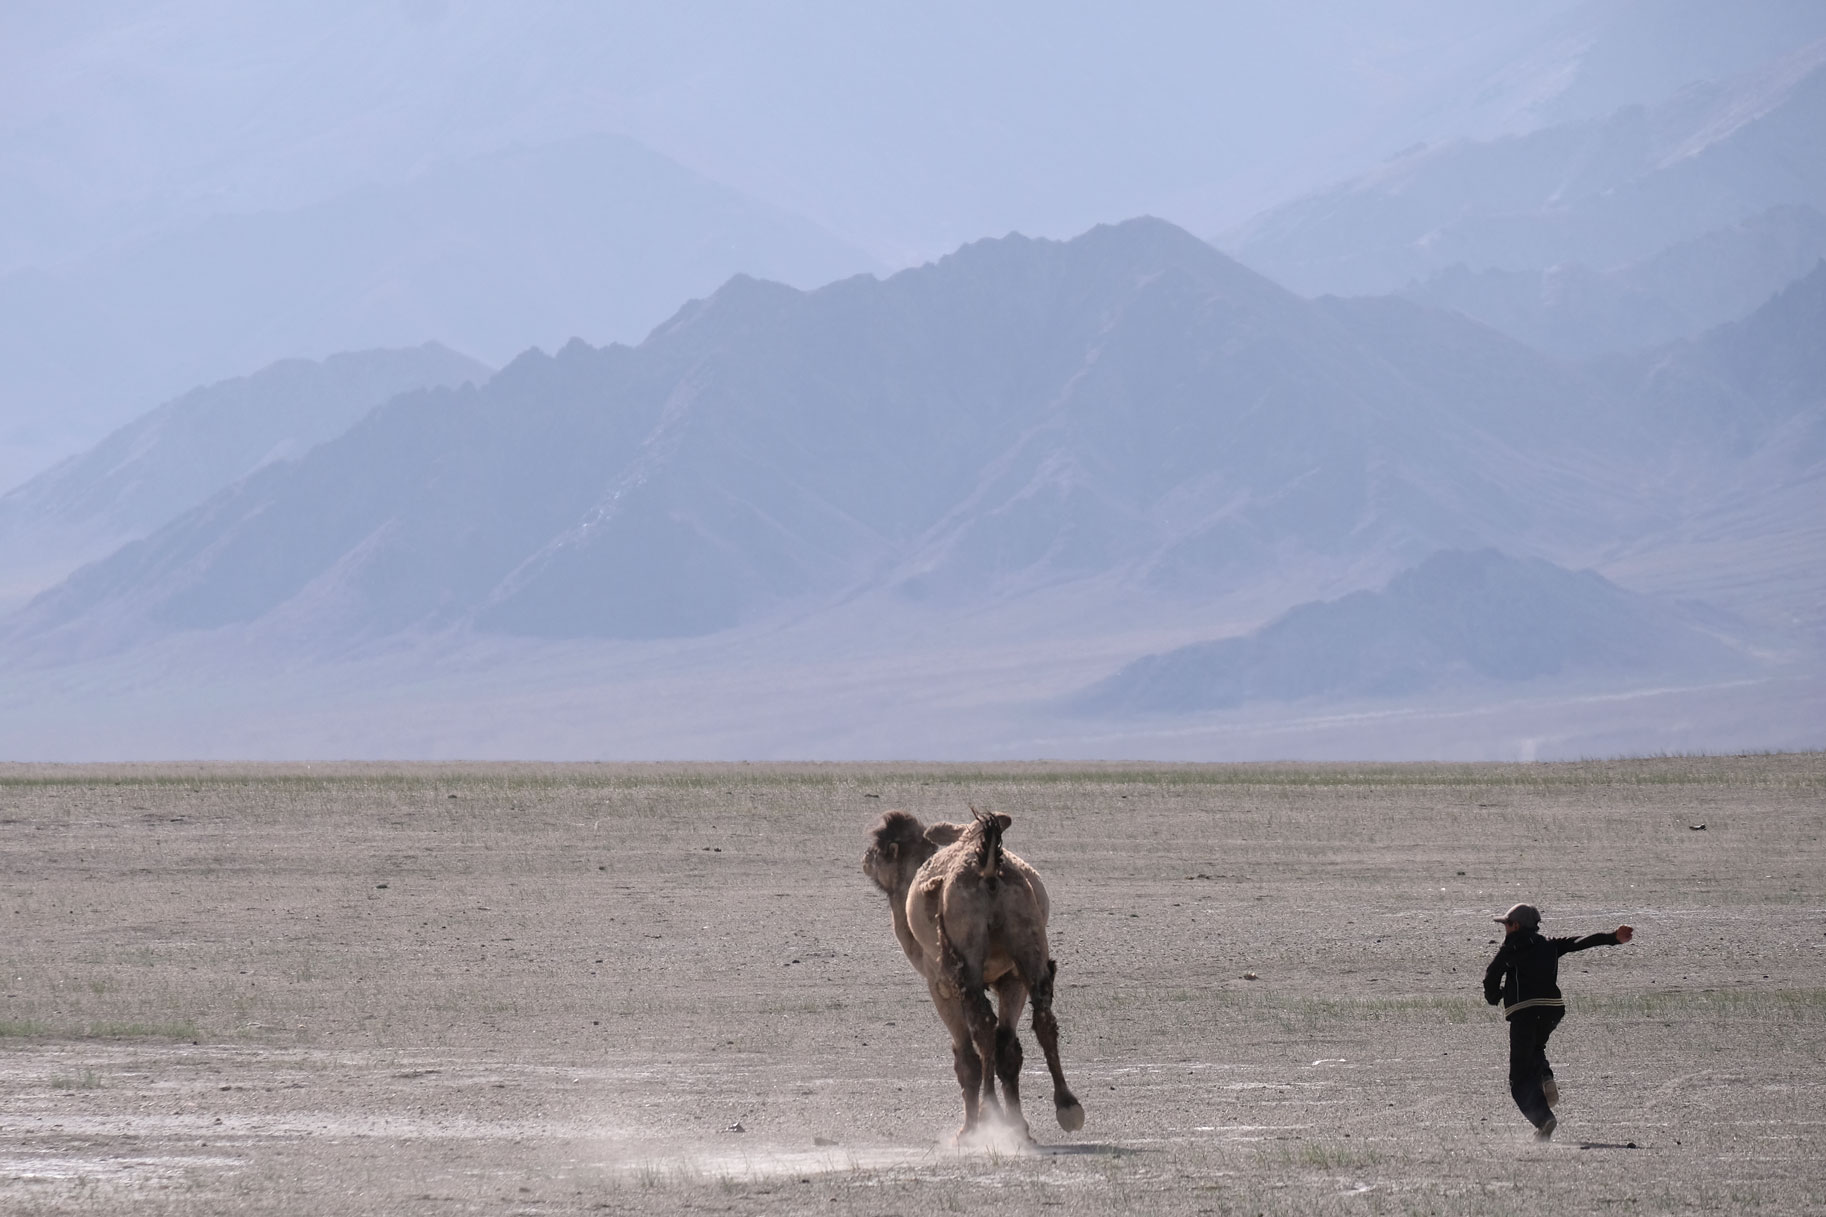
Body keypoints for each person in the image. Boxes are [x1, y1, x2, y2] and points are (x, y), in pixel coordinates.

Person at [1482, 903, 1633, 1140]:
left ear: (1516, 925)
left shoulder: (1511, 947)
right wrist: (1613, 937)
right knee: (1536, 1049)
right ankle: (1544, 1075)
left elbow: (1492, 975)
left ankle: (1544, 1120)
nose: (1505, 929)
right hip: (1552, 1009)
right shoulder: (1550, 945)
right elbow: (1580, 942)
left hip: (1524, 1011)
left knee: (1519, 1077)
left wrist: (1494, 997)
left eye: (1506, 924)